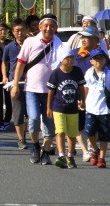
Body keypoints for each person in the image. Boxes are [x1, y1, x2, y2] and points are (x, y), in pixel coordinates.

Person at [11, 14, 66, 166]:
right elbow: (20, 64)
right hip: (32, 89)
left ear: (56, 28)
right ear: (40, 27)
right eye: (45, 25)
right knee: (34, 119)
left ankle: (45, 151)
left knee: (49, 126)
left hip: (51, 92)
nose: (49, 28)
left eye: (52, 26)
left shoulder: (61, 45)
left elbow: (66, 66)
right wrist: (15, 84)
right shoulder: (30, 42)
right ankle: (35, 146)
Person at [46, 49, 86, 169]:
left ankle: (70, 156)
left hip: (73, 108)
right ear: (61, 60)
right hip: (59, 107)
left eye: (72, 58)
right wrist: (49, 107)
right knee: (60, 131)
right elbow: (51, 92)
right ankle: (61, 155)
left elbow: (81, 88)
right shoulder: (56, 73)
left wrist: (83, 101)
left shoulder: (77, 71)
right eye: (68, 58)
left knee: (72, 134)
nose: (71, 60)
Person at [71, 25, 105, 162]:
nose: (83, 40)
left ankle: (92, 147)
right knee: (78, 124)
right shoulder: (74, 54)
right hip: (77, 93)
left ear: (96, 40)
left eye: (87, 37)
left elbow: (106, 74)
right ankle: (85, 151)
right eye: (82, 37)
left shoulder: (101, 56)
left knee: (92, 125)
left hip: (95, 96)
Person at [84, 48, 110, 168]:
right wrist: (81, 102)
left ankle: (101, 158)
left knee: (104, 135)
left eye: (101, 58)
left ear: (105, 60)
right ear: (91, 61)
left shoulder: (108, 74)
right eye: (96, 59)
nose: (99, 61)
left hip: (104, 109)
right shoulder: (89, 73)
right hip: (90, 108)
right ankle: (95, 149)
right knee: (89, 132)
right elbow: (86, 89)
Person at [2, 18, 28, 150]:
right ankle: (21, 139)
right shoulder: (9, 47)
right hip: (15, 84)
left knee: (31, 113)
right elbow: (4, 63)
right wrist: (4, 76)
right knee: (18, 112)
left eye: (22, 30)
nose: (20, 33)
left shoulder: (32, 44)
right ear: (12, 32)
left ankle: (28, 133)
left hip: (31, 83)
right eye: (17, 30)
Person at [0, 21, 12, 131]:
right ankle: (0, 121)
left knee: (8, 99)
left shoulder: (10, 43)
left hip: (8, 73)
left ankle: (7, 119)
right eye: (0, 30)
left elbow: (7, 53)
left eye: (4, 30)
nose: (3, 32)